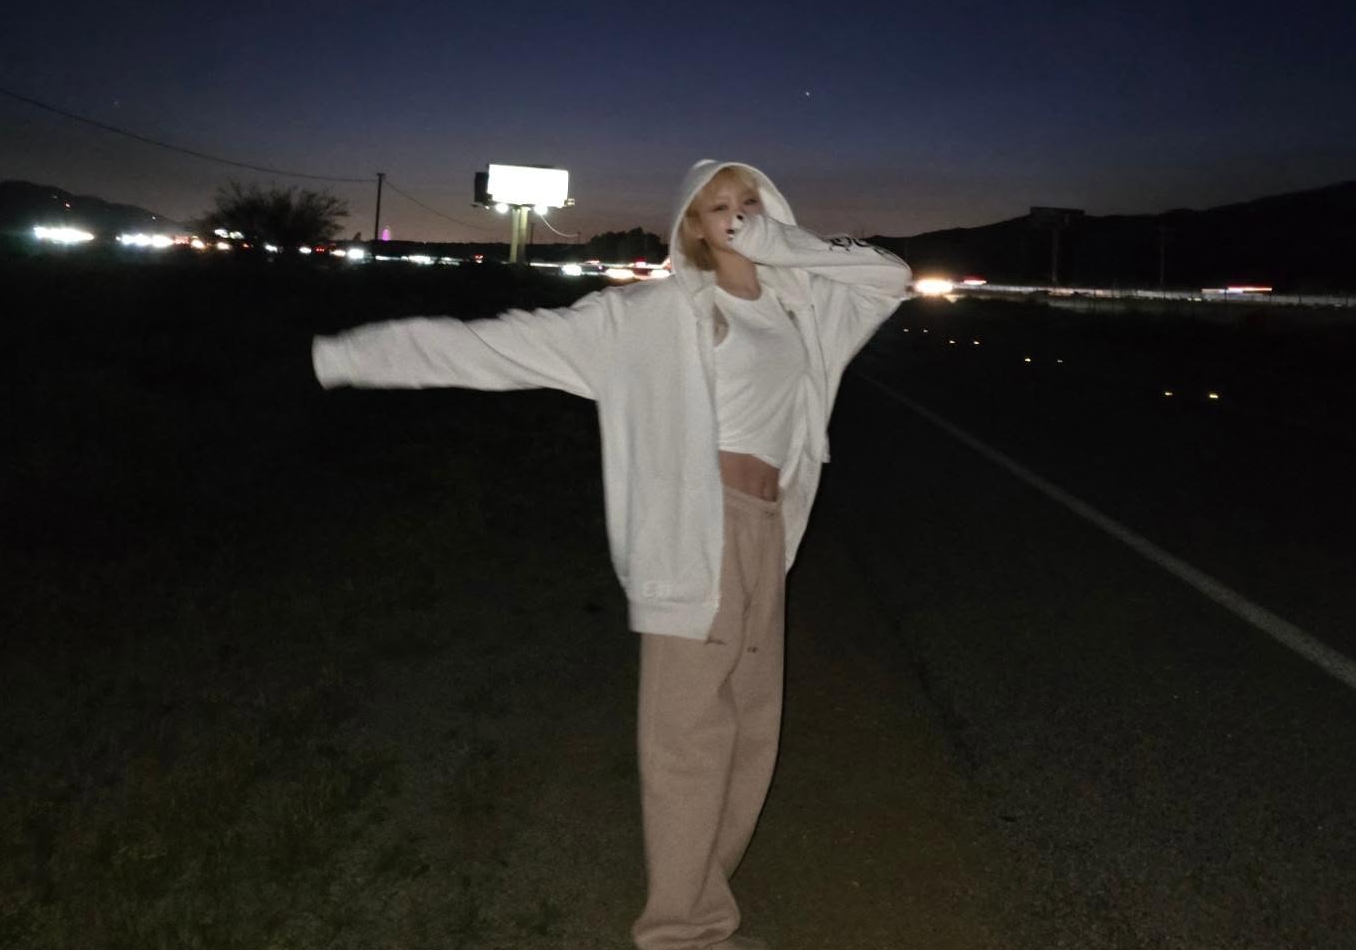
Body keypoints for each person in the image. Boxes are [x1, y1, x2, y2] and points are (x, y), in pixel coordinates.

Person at [312, 159, 911, 950]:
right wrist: (341, 358)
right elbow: (493, 347)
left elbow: (889, 276)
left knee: (749, 735)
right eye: (718, 209)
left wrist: (780, 244)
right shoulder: (651, 316)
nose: (736, 218)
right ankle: (678, 931)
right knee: (689, 739)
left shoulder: (803, 307)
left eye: (749, 203)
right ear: (691, 226)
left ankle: (703, 909)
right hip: (696, 531)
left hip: (768, 532)